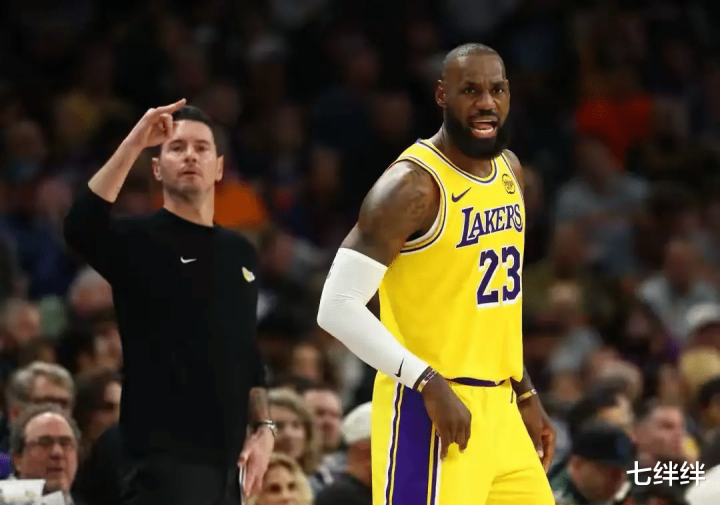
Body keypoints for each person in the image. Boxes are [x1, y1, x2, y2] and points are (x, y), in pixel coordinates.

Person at [317, 43, 555, 504]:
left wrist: (524, 391)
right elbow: (336, 306)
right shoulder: (411, 186)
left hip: (501, 405)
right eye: (470, 90)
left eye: (497, 90)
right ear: (442, 95)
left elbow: (485, 308)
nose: (486, 102)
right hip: (429, 405)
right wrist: (426, 380)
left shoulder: (510, 170)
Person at [63, 101, 274, 505]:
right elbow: (79, 227)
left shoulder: (241, 252)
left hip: (229, 465)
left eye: (201, 147)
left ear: (219, 167)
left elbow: (246, 350)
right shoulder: (137, 240)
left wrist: (264, 427)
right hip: (163, 461)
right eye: (177, 148)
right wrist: (134, 142)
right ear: (157, 169)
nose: (190, 155)